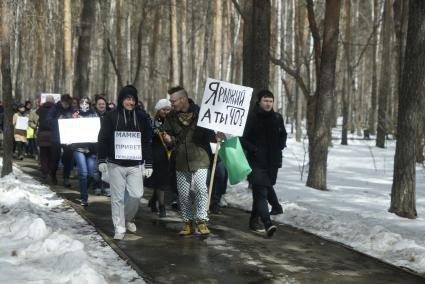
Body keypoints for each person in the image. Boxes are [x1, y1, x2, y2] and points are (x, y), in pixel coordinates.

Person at [162, 86, 221, 236]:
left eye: (173, 100)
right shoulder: (171, 117)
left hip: (201, 158)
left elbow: (210, 134)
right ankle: (188, 222)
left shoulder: (202, 113)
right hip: (181, 159)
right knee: (183, 193)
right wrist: (168, 139)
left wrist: (217, 136)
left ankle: (202, 220)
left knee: (201, 188)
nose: (172, 104)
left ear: (183, 99)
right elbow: (169, 136)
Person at [97, 85, 153, 240]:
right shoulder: (111, 116)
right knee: (117, 197)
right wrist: (101, 159)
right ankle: (119, 227)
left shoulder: (141, 117)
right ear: (121, 99)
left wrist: (148, 163)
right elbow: (103, 139)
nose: (131, 102)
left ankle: (127, 218)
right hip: (115, 163)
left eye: (133, 99)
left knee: (137, 195)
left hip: (135, 164)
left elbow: (146, 141)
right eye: (128, 99)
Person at [240, 89, 287, 238]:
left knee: (262, 191)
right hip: (256, 162)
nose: (268, 104)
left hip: (273, 162)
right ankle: (268, 223)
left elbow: (283, 134)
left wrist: (279, 146)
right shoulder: (251, 117)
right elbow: (243, 139)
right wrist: (254, 150)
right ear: (259, 102)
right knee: (261, 193)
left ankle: (254, 221)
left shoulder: (277, 117)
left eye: (271, 101)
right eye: (265, 101)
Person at [147, 99, 175, 218]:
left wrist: (171, 139)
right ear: (158, 110)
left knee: (163, 182)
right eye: (163, 109)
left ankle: (153, 200)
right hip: (157, 155)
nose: (166, 112)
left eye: (168, 109)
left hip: (170, 154)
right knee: (160, 181)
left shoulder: (174, 122)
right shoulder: (153, 123)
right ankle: (162, 207)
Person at [71, 97, 98, 206]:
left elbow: (97, 128)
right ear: (79, 104)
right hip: (78, 147)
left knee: (91, 175)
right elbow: (69, 127)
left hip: (91, 149)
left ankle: (84, 189)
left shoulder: (94, 114)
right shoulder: (75, 114)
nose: (84, 104)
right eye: (82, 102)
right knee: (83, 173)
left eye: (86, 102)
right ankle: (84, 197)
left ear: (90, 104)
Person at [50, 94, 75, 187]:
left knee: (68, 158)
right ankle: (53, 175)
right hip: (56, 138)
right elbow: (48, 121)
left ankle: (66, 178)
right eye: (65, 104)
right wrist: (57, 120)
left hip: (68, 138)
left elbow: (76, 120)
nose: (66, 106)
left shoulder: (72, 109)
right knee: (55, 158)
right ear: (61, 102)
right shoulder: (55, 108)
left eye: (68, 104)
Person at [36, 95, 61, 183]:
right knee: (52, 156)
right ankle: (52, 174)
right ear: (53, 101)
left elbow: (36, 122)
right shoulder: (56, 109)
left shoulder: (40, 109)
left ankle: (44, 172)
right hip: (53, 135)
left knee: (43, 156)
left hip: (42, 135)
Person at [93, 95, 111, 196]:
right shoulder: (92, 115)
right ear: (96, 105)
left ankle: (107, 187)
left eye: (103, 104)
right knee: (96, 168)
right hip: (95, 144)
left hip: (107, 145)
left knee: (107, 168)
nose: (101, 105)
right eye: (99, 104)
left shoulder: (110, 115)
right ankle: (97, 186)